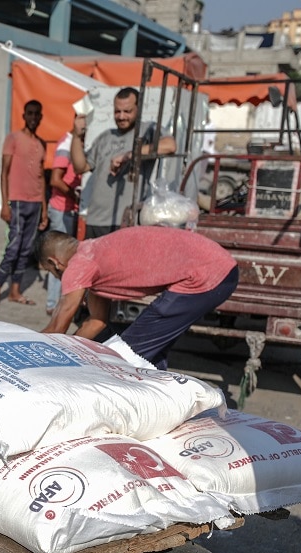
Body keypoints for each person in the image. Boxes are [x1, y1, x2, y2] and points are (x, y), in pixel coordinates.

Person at [38, 227, 238, 370]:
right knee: (150, 352)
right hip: (221, 269)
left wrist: (26, 350)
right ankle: (160, 405)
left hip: (208, 275)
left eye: (51, 272)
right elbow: (96, 323)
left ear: (54, 262)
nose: (58, 278)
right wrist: (73, 351)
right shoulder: (94, 253)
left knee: (127, 356)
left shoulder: (78, 265)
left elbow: (57, 330)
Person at [70, 87, 177, 237]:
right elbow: (80, 167)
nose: (121, 116)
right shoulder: (105, 137)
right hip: (96, 220)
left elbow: (170, 146)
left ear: (138, 110)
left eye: (127, 111)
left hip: (126, 221)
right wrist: (76, 135)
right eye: (117, 111)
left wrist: (129, 155)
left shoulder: (147, 131)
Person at [0, 100, 47, 310]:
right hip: (18, 202)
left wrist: (44, 209)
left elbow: (41, 178)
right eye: (29, 113)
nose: (32, 118)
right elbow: (4, 173)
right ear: (24, 115)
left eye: (36, 114)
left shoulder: (41, 144)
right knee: (12, 248)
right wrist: (5, 204)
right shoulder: (13, 139)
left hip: (35, 203)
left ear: (40, 117)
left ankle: (15, 291)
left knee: (26, 249)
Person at [45, 119, 82, 314]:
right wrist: (74, 193)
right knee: (58, 256)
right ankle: (52, 304)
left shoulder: (76, 144)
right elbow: (55, 179)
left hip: (69, 209)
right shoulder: (67, 145)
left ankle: (58, 301)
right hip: (61, 209)